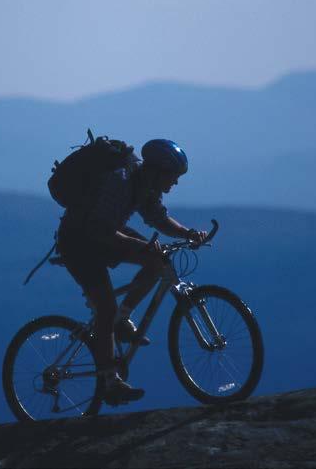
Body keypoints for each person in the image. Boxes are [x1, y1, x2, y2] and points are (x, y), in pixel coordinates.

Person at [57, 138, 209, 406]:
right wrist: (141, 245)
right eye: (173, 176)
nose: (175, 183)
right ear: (159, 170)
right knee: (104, 308)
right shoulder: (121, 181)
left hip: (103, 234)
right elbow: (98, 229)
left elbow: (158, 218)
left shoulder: (143, 184)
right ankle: (110, 382)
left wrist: (188, 233)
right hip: (78, 242)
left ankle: (121, 317)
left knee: (158, 261)